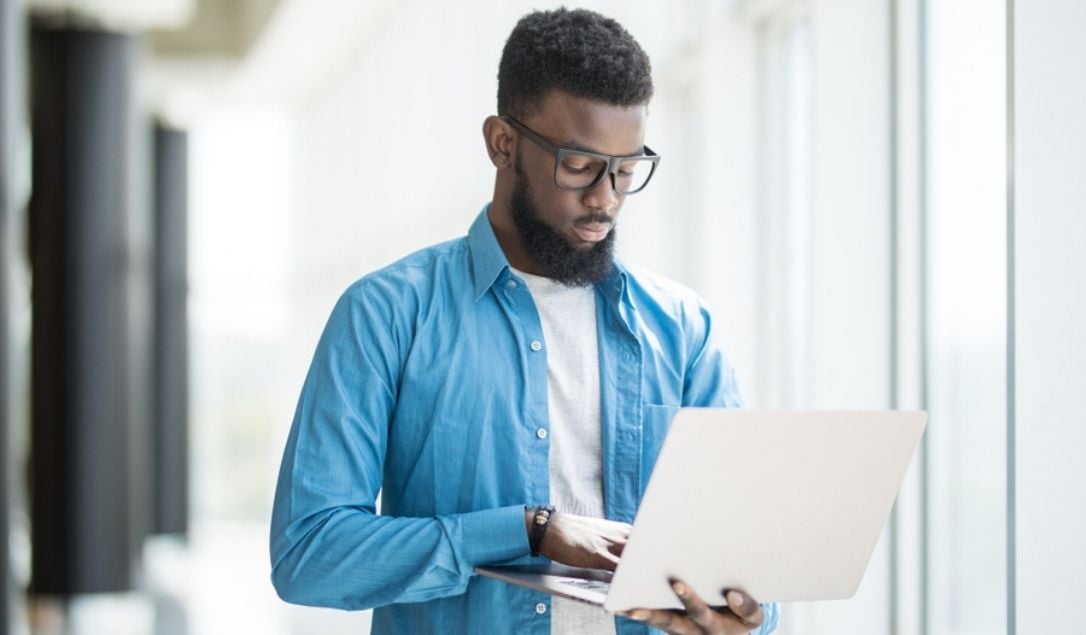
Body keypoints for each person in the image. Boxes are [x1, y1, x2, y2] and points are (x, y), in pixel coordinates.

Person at [270, 7, 779, 634]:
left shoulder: (682, 329)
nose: (605, 199)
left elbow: (737, 549)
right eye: (579, 166)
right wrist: (529, 531)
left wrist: (748, 612)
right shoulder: (386, 314)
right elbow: (310, 555)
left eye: (625, 170)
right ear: (502, 143)